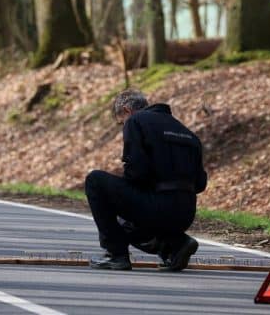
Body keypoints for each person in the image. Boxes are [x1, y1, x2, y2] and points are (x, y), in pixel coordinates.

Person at [86, 90, 207, 271]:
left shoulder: (136, 121)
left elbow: (137, 172)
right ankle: (177, 244)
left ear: (127, 110)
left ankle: (116, 255)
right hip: (186, 213)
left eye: (121, 122)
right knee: (128, 224)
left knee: (95, 181)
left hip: (159, 209)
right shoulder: (188, 133)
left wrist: (126, 197)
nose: (123, 125)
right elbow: (201, 183)